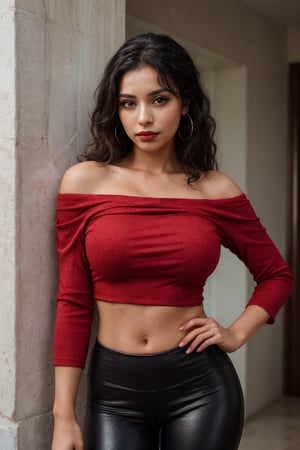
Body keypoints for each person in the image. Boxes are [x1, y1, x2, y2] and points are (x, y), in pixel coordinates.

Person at [51, 32, 293, 450]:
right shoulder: (85, 182)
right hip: (114, 393)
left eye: (159, 100)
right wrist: (62, 415)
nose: (143, 117)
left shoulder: (215, 190)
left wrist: (234, 334)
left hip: (201, 388)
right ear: (117, 109)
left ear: (185, 106)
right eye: (129, 103)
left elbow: (277, 275)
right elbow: (73, 301)